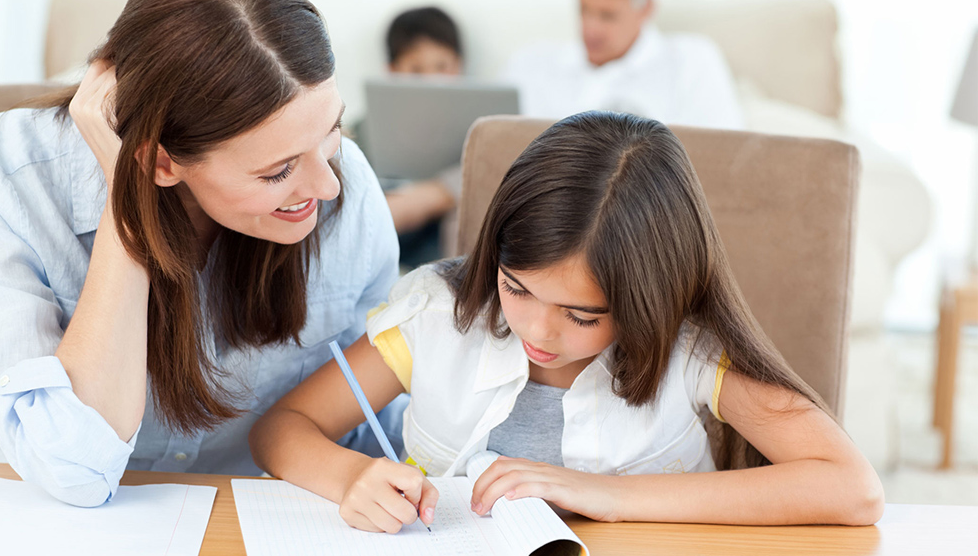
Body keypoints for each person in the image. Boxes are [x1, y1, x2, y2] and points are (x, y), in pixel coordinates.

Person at [249, 111, 884, 533]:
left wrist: (602, 494)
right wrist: (350, 477)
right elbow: (282, 427)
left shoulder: (691, 352)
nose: (539, 333)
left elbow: (851, 488)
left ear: (650, 301)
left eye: (582, 315)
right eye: (515, 288)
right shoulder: (439, 316)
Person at [0, 0, 406, 507]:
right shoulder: (6, 180)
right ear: (161, 162)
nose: (329, 187)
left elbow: (372, 421)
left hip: (252, 516)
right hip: (42, 514)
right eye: (278, 171)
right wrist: (126, 202)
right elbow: (76, 474)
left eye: (332, 128)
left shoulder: (348, 189)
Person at [501, 0, 744, 130]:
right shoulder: (530, 64)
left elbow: (724, 157)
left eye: (607, 16)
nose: (590, 29)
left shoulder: (691, 62)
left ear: (646, 9)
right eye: (583, 10)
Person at [354, 6, 463, 269]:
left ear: (459, 66)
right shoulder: (367, 128)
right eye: (415, 69)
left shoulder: (478, 127)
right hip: (388, 225)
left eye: (442, 67)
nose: (430, 79)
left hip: (442, 236)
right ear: (391, 71)